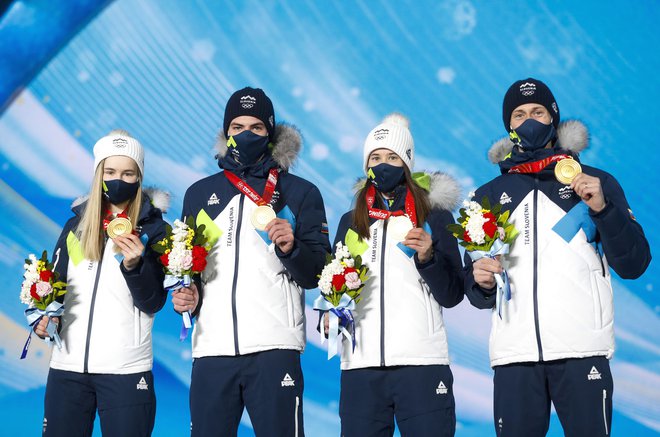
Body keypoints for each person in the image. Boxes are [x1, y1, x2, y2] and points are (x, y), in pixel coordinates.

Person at [465, 78, 651, 437]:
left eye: (538, 112)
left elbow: (634, 264)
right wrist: (481, 282)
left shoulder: (594, 182)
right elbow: (473, 289)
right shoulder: (487, 196)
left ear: (554, 118)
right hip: (514, 355)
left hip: (581, 350)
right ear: (509, 126)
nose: (529, 120)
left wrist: (602, 208)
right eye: (519, 114)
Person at [171, 87, 331, 437]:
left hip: (274, 347)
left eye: (257, 128)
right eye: (237, 126)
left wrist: (291, 249)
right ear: (225, 132)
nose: (246, 134)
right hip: (212, 348)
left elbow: (318, 274)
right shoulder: (199, 194)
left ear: (271, 134)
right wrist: (188, 297)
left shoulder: (300, 192)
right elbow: (190, 269)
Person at [325, 113, 464, 436]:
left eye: (392, 157)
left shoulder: (434, 216)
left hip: (421, 363)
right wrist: (330, 315)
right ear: (366, 165)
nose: (383, 164)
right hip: (361, 366)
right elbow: (333, 281)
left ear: (407, 163)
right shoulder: (352, 222)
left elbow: (453, 294)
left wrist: (428, 257)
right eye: (376, 157)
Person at [33, 129, 169, 436]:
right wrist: (45, 318)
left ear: (139, 177)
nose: (117, 179)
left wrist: (135, 265)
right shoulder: (75, 226)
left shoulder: (156, 230)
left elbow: (153, 302)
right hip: (67, 368)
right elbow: (56, 289)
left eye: (127, 173)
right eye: (109, 171)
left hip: (125, 369)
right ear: (98, 173)